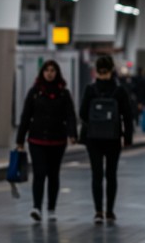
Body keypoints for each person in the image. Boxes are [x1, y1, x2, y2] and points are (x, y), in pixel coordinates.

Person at [15, 60, 78, 222]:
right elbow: (26, 116)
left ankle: (51, 208)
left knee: (53, 174)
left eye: (52, 70)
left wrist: (72, 134)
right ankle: (37, 207)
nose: (49, 73)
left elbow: (70, 115)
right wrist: (20, 139)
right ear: (42, 73)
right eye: (47, 70)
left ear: (57, 73)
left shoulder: (63, 93)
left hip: (57, 140)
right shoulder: (35, 92)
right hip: (37, 139)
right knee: (39, 173)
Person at [79, 54, 134, 224]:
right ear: (112, 70)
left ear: (96, 71)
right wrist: (128, 137)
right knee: (111, 174)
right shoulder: (119, 90)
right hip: (113, 137)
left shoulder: (90, 89)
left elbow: (82, 113)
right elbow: (127, 115)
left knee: (96, 174)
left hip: (93, 138)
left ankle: (98, 212)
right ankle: (110, 211)